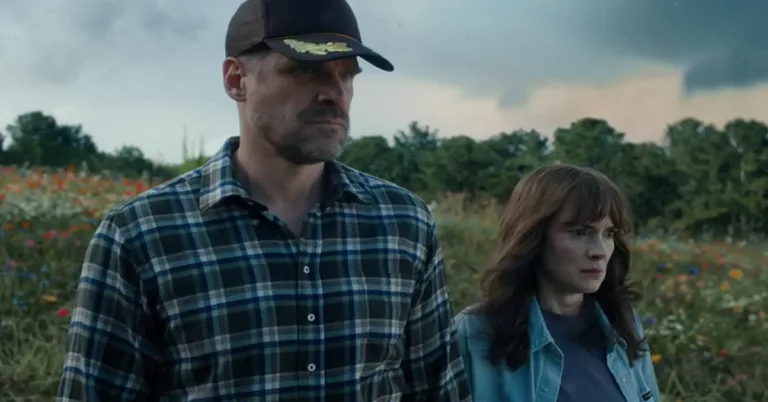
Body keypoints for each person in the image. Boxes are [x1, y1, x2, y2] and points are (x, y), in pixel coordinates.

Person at [56, 0, 471, 400]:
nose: (334, 93)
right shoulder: (141, 235)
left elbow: (438, 389)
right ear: (236, 80)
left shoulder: (403, 223)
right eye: (306, 69)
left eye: (347, 75)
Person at [455, 164, 660, 402]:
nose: (600, 251)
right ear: (533, 234)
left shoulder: (623, 325)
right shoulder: (475, 334)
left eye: (609, 233)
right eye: (580, 232)